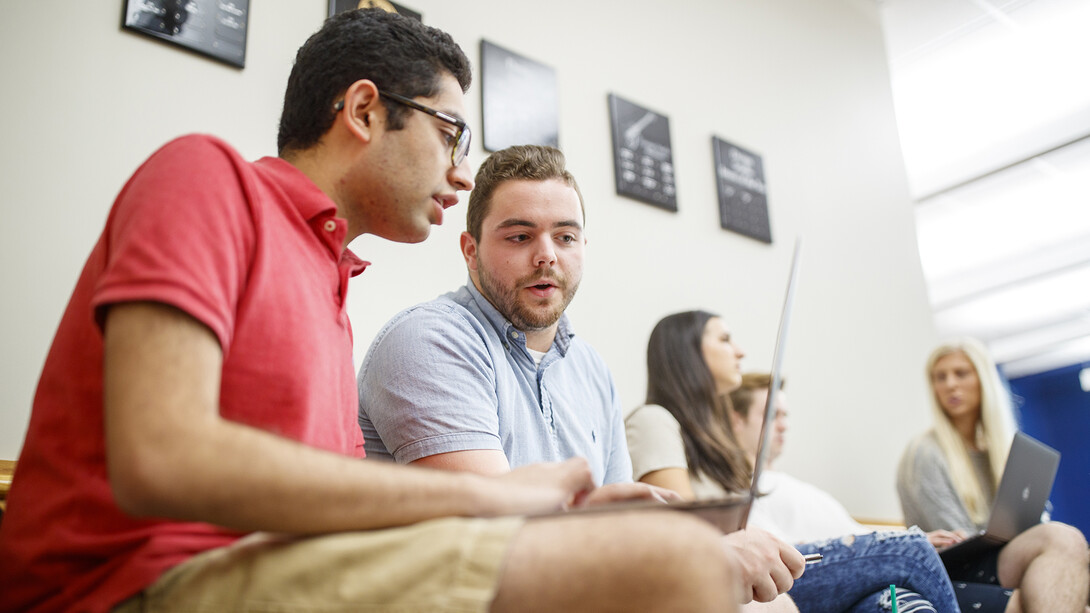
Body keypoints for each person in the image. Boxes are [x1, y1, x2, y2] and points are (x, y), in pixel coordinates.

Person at [0, 11, 746, 613]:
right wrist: (494, 495)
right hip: (132, 583)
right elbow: (161, 457)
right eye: (450, 133)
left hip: (273, 564)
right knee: (672, 566)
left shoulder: (330, 281)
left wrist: (574, 510)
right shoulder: (204, 176)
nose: (460, 170)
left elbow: (344, 504)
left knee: (651, 556)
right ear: (363, 110)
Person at [358, 144, 805, 611]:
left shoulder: (591, 369)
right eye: (519, 237)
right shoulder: (430, 340)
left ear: (583, 248)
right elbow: (497, 535)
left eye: (566, 237)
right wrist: (705, 555)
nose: (546, 256)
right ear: (470, 251)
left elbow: (620, 526)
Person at [626, 310, 963, 613]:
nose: (740, 351)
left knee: (889, 605)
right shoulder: (654, 420)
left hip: (768, 567)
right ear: (687, 353)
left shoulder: (709, 442)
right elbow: (685, 533)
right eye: (726, 340)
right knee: (910, 551)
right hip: (734, 579)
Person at [898, 337, 1090, 612]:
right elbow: (955, 542)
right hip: (952, 568)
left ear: (983, 379)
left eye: (961, 373)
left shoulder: (1000, 448)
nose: (950, 384)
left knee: (1068, 570)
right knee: (1063, 540)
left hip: (996, 558)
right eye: (940, 377)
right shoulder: (924, 453)